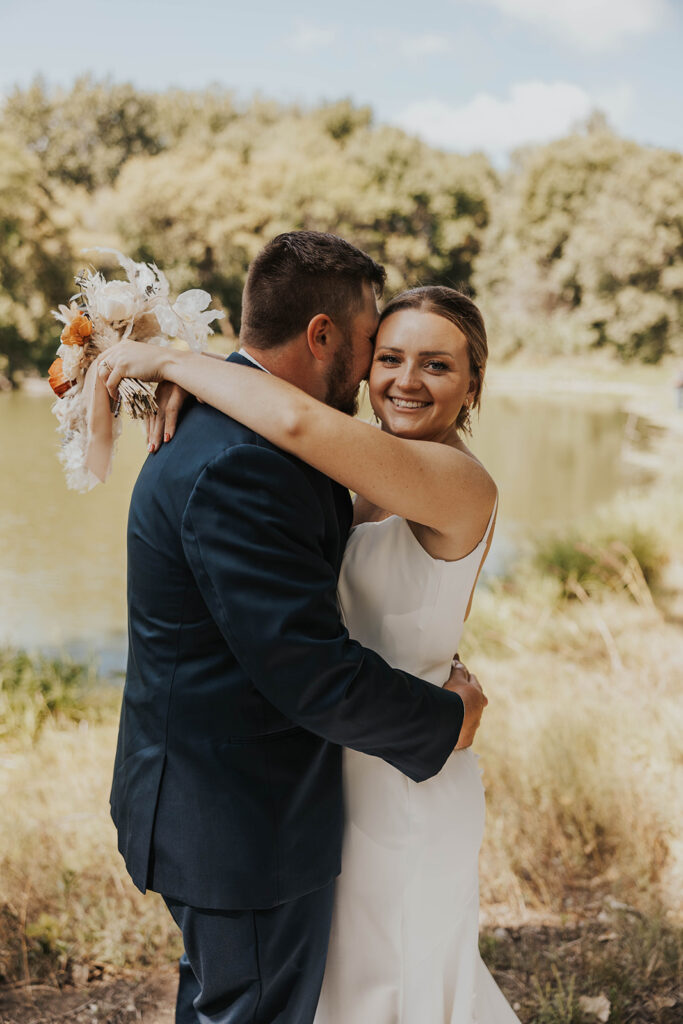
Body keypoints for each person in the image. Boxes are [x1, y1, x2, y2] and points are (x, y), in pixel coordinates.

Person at [103, 255, 520, 1022]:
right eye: (386, 355)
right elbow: (283, 418)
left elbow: (292, 416)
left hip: (404, 772)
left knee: (389, 986)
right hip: (318, 781)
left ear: (472, 385)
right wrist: (193, 380)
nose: (402, 379)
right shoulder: (347, 461)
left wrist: (173, 359)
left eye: (437, 365)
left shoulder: (455, 481)